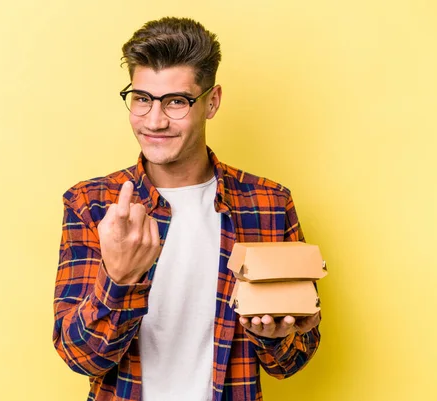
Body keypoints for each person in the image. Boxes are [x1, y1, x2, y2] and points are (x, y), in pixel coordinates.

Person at [53, 17, 321, 401]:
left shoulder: (269, 204)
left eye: (176, 101)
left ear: (211, 102)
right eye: (142, 99)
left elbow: (293, 360)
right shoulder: (92, 204)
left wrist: (274, 338)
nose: (155, 121)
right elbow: (80, 356)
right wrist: (119, 278)